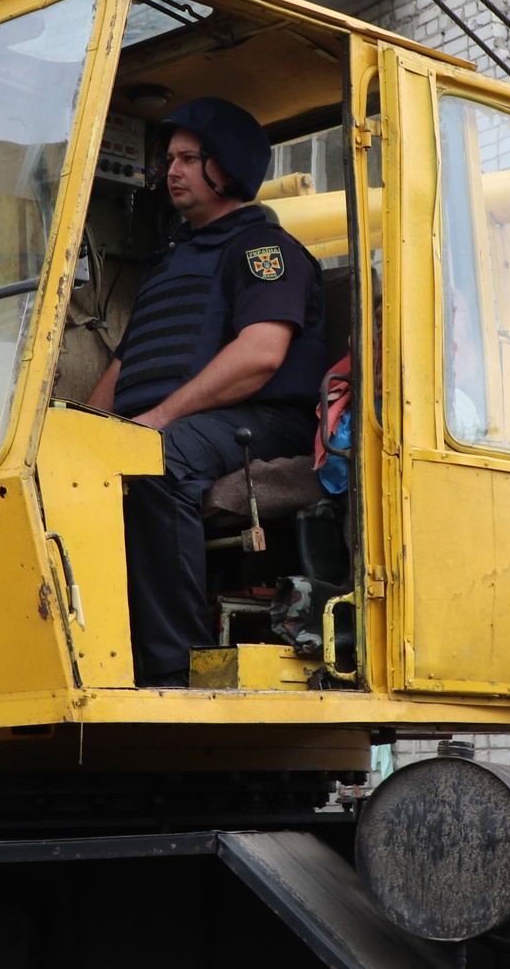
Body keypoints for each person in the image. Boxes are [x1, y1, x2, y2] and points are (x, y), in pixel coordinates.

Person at [88, 97, 326, 688]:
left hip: (263, 420)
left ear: (230, 168)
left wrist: (158, 420)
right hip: (185, 423)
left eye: (191, 159)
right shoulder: (171, 264)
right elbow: (130, 359)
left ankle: (174, 667)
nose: (172, 171)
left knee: (156, 462)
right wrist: (86, 429)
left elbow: (260, 355)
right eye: (170, 158)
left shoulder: (264, 252)